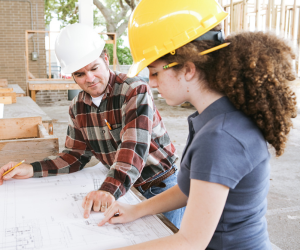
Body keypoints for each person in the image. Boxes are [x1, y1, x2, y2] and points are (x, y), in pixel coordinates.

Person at [98, 0, 298, 249]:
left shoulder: (220, 137)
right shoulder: (215, 119)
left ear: (188, 69)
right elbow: (190, 189)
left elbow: (190, 242)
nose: (151, 83)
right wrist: (136, 210)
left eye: (155, 72)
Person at [0, 23, 185, 228]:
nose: (89, 79)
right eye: (79, 74)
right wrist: (31, 169)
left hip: (160, 186)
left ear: (105, 60)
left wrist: (107, 190)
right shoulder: (78, 107)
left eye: (94, 68)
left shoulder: (134, 91)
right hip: (124, 190)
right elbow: (74, 156)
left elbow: (133, 148)